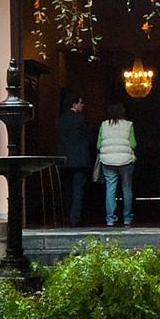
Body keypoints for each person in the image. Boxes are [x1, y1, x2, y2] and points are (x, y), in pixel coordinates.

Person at [97, 102, 138, 227]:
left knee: (110, 189)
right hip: (126, 161)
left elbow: (98, 145)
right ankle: (127, 218)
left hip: (108, 161)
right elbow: (133, 144)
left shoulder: (104, 125)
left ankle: (110, 219)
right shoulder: (129, 125)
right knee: (126, 189)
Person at [55, 93, 93, 228]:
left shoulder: (60, 120)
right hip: (80, 160)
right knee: (78, 189)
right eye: (81, 103)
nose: (82, 105)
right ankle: (74, 218)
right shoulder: (81, 119)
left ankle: (66, 215)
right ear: (74, 104)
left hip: (65, 159)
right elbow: (89, 138)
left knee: (67, 189)